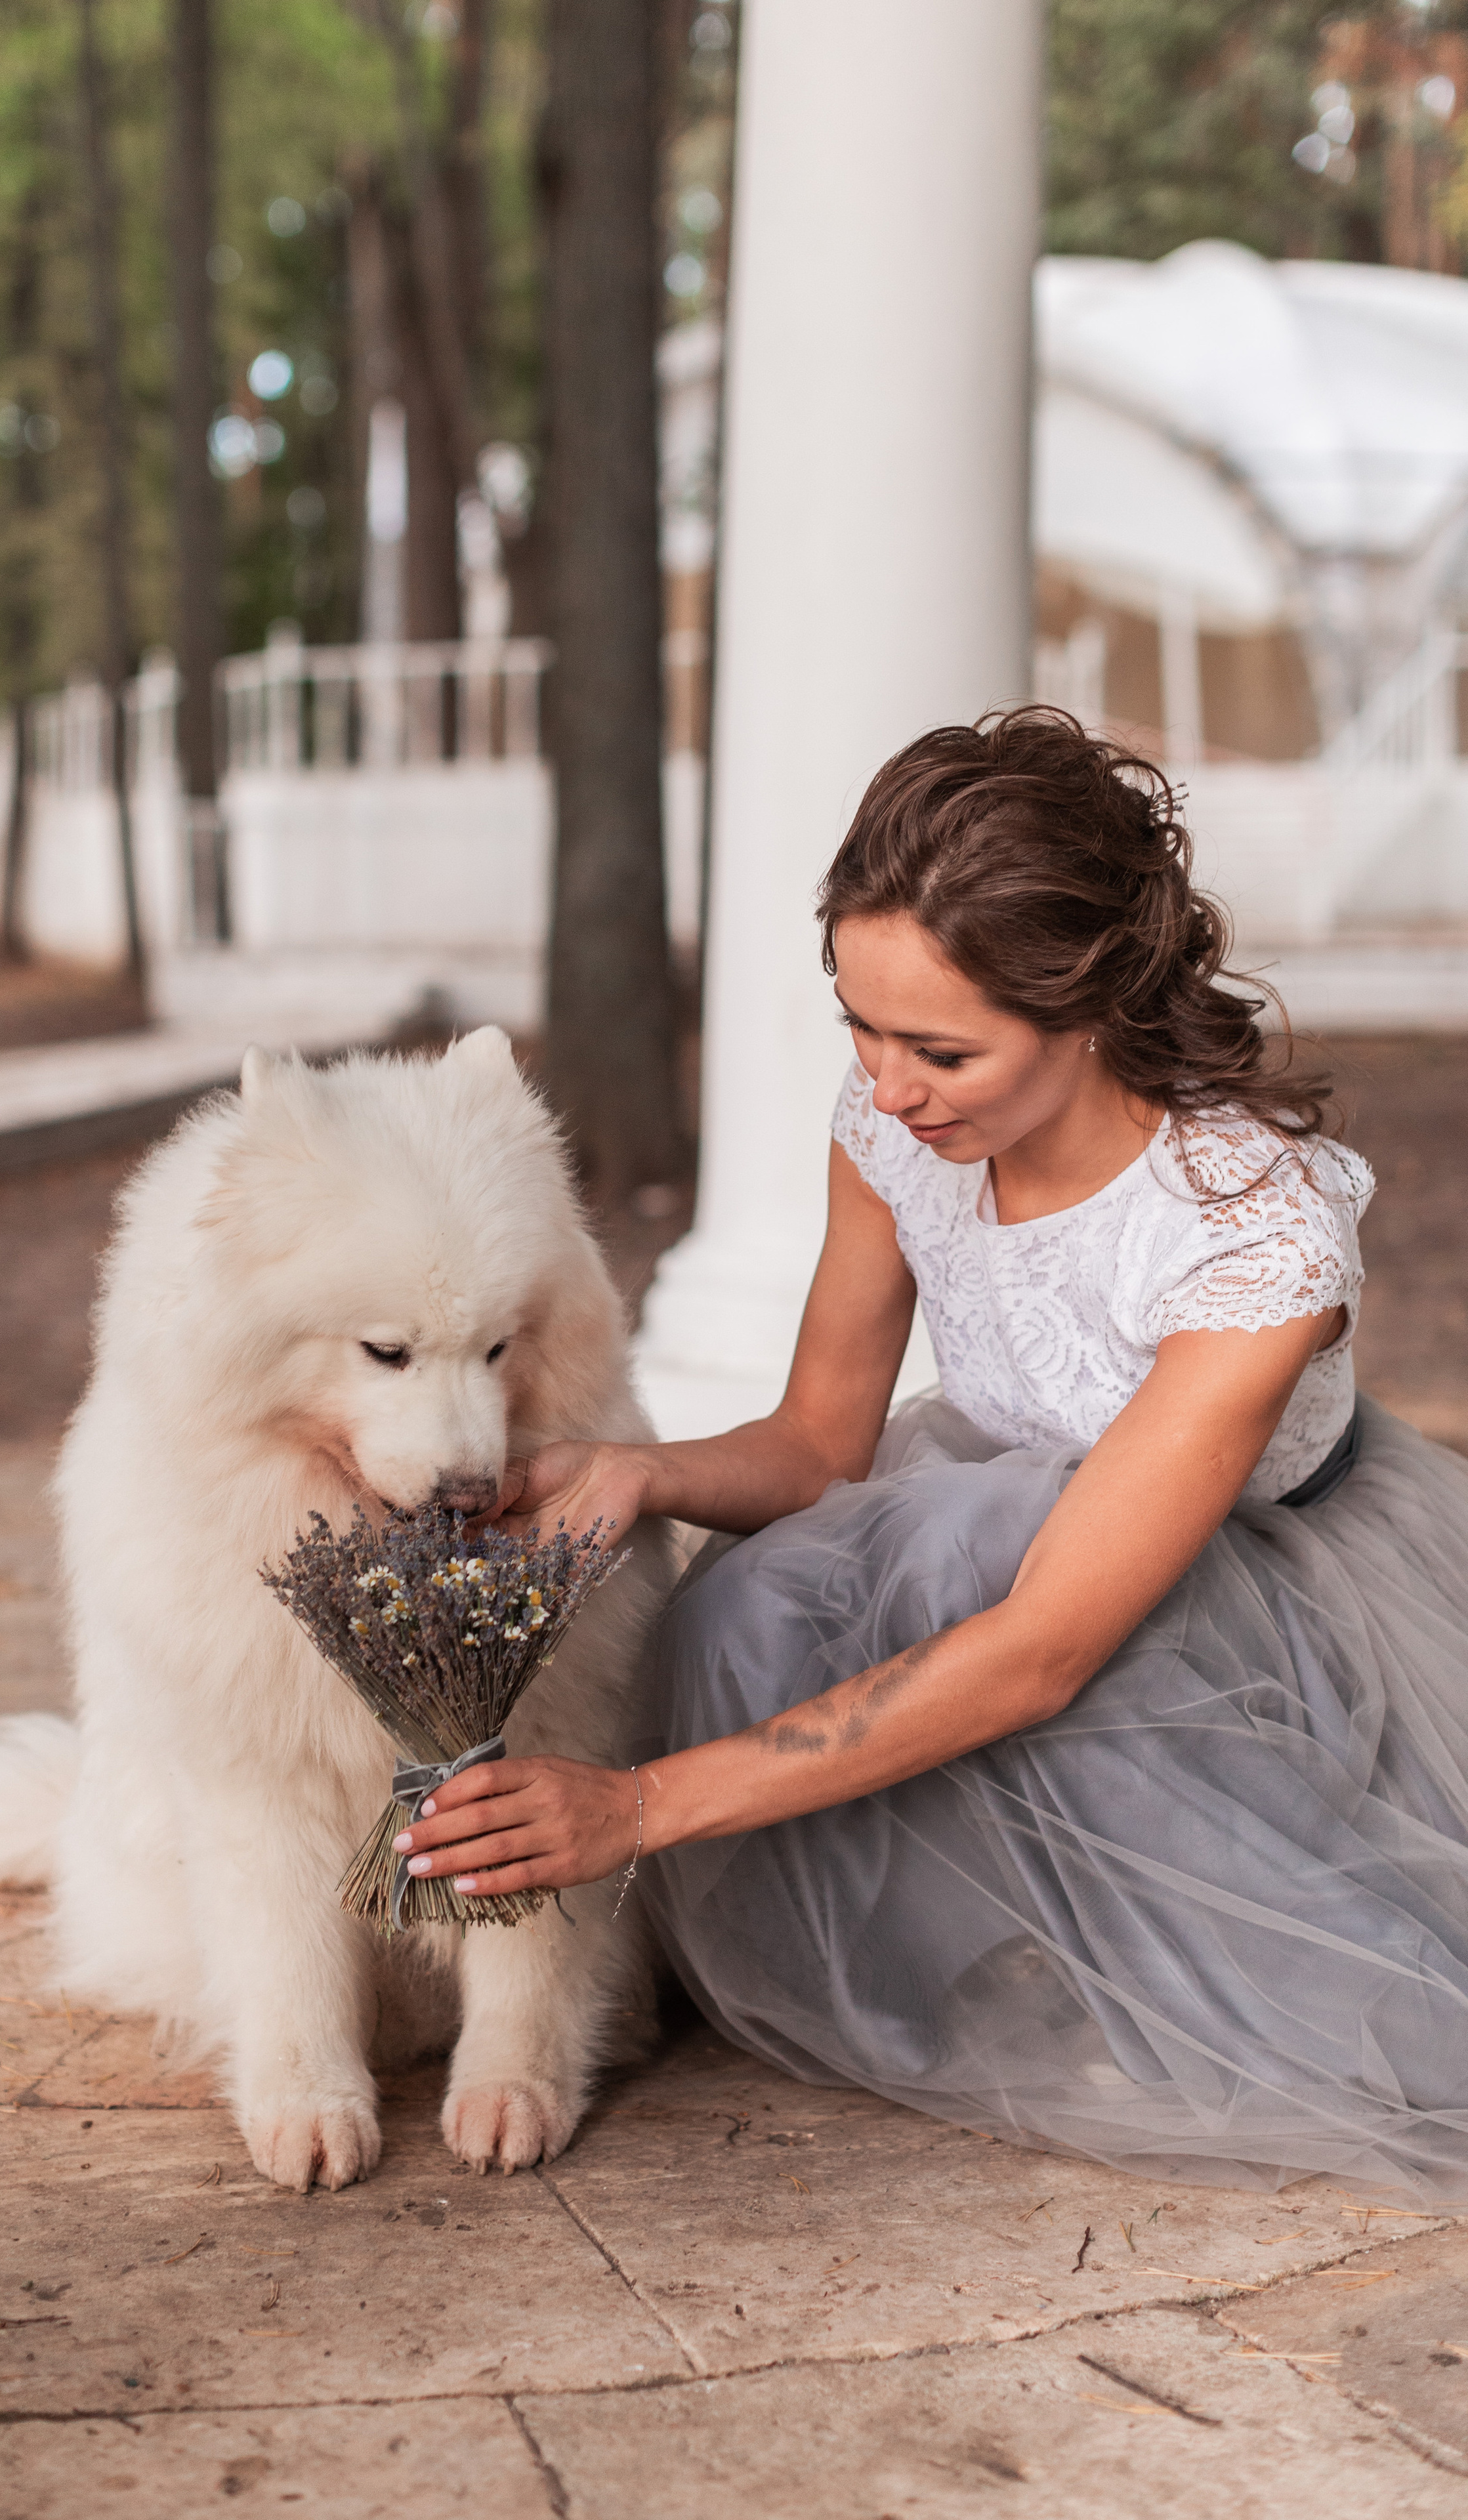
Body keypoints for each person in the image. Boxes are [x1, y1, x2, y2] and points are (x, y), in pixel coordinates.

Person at [395, 707, 1468, 2200]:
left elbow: (1040, 1647)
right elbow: (822, 1445)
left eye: (939, 1048)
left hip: (1232, 1595)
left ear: (1085, 1005)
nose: (886, 1087)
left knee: (1377, 2032)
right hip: (1002, 1526)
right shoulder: (897, 1127)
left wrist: (639, 1807)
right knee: (756, 1606)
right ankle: (938, 1961)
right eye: (857, 1022)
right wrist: (638, 1471)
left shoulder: (1247, 1231)